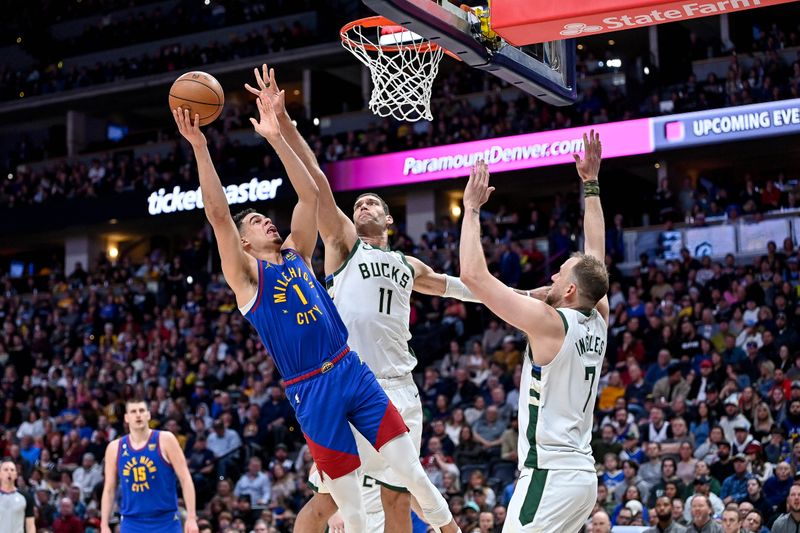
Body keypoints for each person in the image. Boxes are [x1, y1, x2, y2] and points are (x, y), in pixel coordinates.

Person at [172, 81, 458, 533]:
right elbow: (217, 214)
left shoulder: (297, 253)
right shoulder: (247, 279)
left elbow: (311, 195)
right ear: (244, 242)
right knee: (354, 514)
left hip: (351, 368)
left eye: (266, 216)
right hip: (311, 390)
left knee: (410, 472)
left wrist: (277, 137)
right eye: (255, 221)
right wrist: (201, 147)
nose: (267, 219)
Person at [246, 65, 484, 533]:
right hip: (346, 378)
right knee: (324, 506)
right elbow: (316, 182)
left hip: (395, 386)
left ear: (390, 219)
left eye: (372, 203)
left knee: (401, 496)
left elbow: (462, 287)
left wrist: (522, 296)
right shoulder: (343, 244)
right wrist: (285, 123)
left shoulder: (407, 266)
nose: (362, 206)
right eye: (358, 204)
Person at [460, 130, 609, 532]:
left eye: (558, 275)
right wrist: (590, 185)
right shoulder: (600, 315)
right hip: (582, 475)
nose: (552, 276)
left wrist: (470, 209)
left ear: (571, 290)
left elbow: (474, 275)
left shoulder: (552, 324)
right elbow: (596, 255)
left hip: (550, 474)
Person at [100, 399, 198, 533]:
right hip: (131, 522)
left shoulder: (165, 439)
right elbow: (109, 489)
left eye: (141, 411)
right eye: (133, 412)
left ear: (148, 415)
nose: (138, 415)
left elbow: (185, 479)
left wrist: (191, 517)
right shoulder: (114, 448)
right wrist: (104, 524)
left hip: (166, 521)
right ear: (126, 418)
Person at [0, 458, 35, 533]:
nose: (9, 472)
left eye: (12, 470)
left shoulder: (26, 497)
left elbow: (30, 525)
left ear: (16, 474)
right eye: (6, 470)